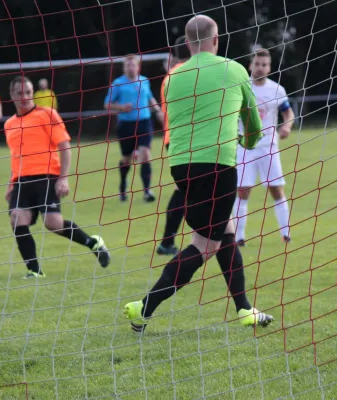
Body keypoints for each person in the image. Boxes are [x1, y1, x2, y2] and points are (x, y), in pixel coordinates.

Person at [124, 15, 274, 332]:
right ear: (216, 39)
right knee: (206, 245)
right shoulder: (234, 69)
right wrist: (245, 142)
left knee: (226, 229)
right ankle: (143, 307)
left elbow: (171, 124)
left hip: (181, 166)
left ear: (188, 44)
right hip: (218, 164)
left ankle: (245, 308)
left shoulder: (170, 78)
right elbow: (253, 127)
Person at [4, 76, 111, 279]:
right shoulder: (9, 124)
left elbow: (64, 146)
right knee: (17, 218)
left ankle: (93, 243)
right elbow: (15, 156)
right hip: (21, 181)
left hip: (47, 177)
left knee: (53, 223)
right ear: (11, 95)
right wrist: (11, 183)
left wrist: (63, 178)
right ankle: (34, 270)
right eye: (19, 93)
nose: (24, 97)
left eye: (28, 92)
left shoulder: (47, 114)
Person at [232, 48, 295, 246]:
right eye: (257, 64)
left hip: (269, 147)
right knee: (242, 190)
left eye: (264, 65)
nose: (260, 68)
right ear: (250, 65)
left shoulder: (277, 90)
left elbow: (288, 114)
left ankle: (286, 234)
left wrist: (286, 126)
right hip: (245, 147)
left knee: (277, 190)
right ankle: (238, 237)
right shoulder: (242, 87)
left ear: (269, 67)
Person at [104, 54, 164, 203]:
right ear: (124, 67)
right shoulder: (117, 84)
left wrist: (157, 110)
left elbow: (150, 98)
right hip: (126, 125)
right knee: (127, 159)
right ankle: (123, 186)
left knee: (145, 154)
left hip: (144, 122)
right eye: (127, 65)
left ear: (138, 66)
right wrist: (121, 107)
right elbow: (107, 104)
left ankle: (147, 191)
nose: (130, 68)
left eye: (133, 65)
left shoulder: (144, 81)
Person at [156, 35, 191, 256]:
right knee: (188, 191)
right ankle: (167, 242)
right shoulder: (188, 73)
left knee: (186, 190)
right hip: (185, 139)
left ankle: (167, 242)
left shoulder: (170, 75)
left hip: (174, 139)